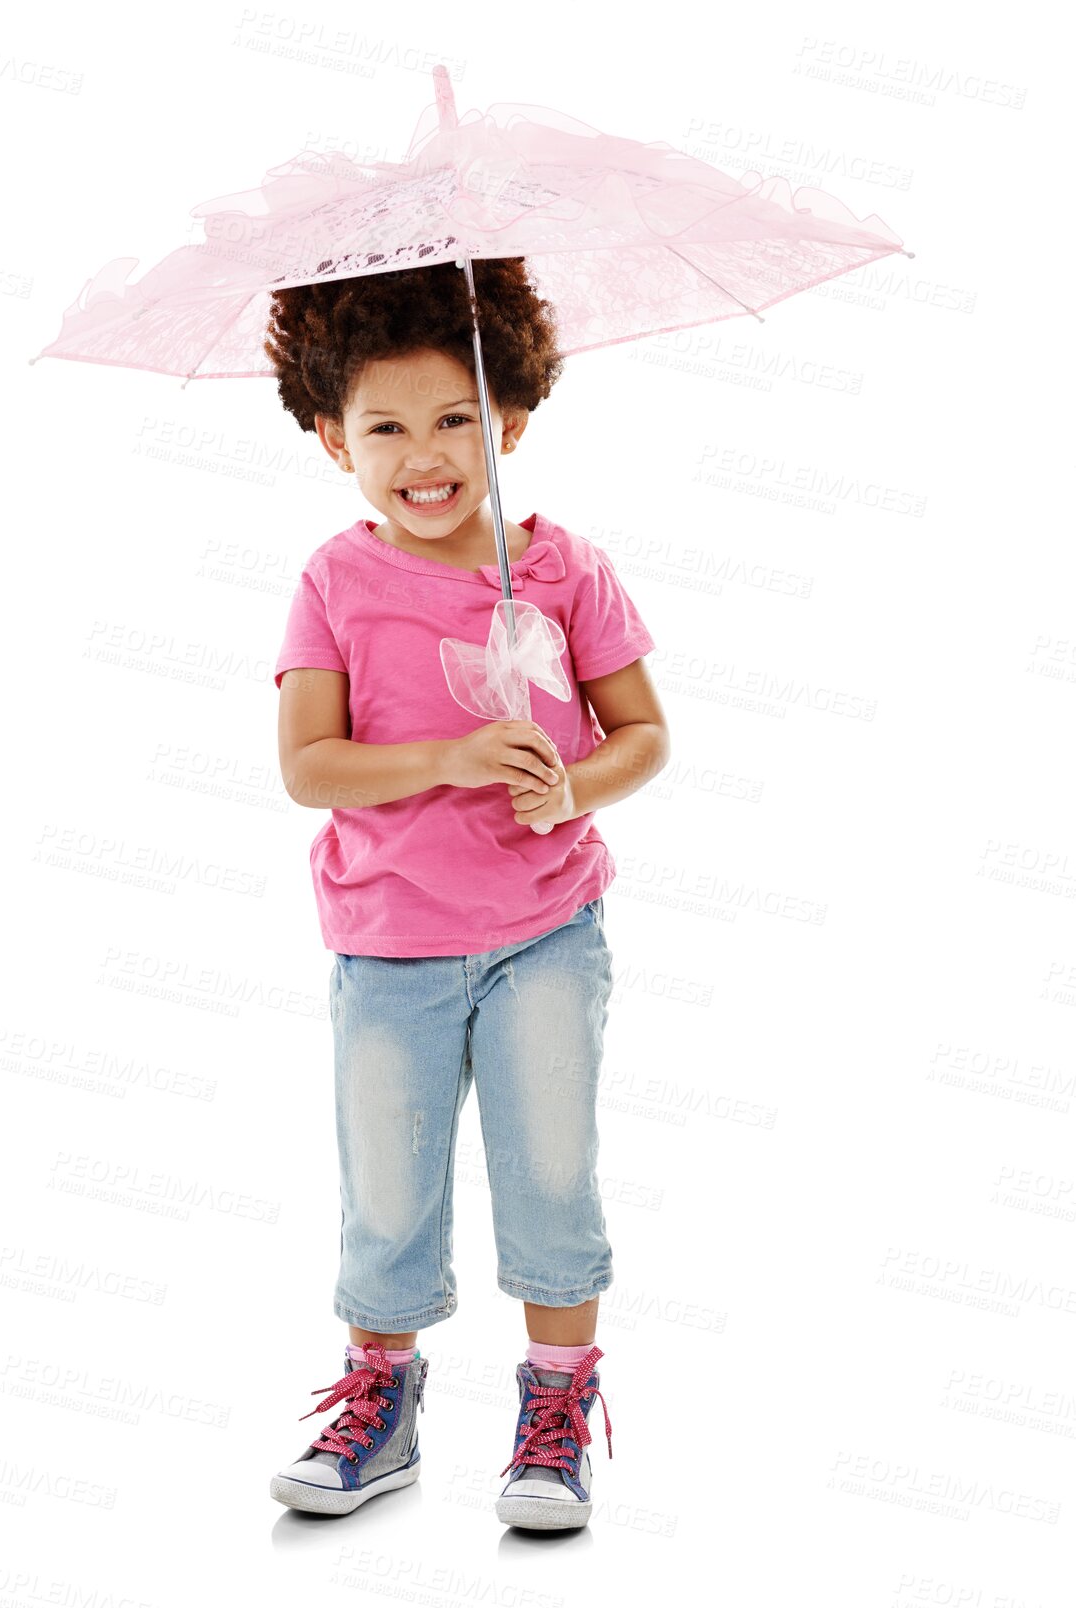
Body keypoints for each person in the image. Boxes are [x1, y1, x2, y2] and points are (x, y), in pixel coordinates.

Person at [265, 257, 669, 1529]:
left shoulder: (564, 572)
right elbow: (307, 765)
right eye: (385, 426)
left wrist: (576, 789)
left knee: (553, 1172)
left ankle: (555, 1415)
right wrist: (446, 755)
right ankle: (379, 1404)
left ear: (508, 421)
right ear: (335, 440)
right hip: (388, 943)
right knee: (388, 1182)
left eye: (454, 419)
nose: (423, 455)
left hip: (546, 931)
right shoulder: (337, 582)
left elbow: (643, 732)